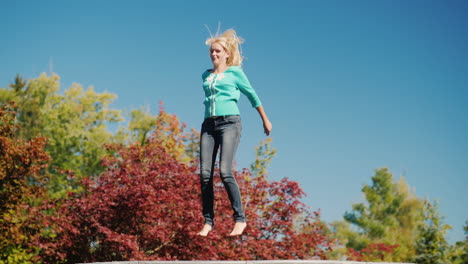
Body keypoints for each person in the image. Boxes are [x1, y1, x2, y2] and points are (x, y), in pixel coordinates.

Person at [197, 28, 272, 237]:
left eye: (218, 51)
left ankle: (240, 219)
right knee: (204, 175)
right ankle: (208, 221)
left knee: (225, 171)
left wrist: (265, 119)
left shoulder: (235, 73)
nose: (214, 55)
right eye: (212, 51)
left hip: (230, 123)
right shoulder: (205, 75)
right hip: (208, 126)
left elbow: (252, 95)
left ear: (227, 53)